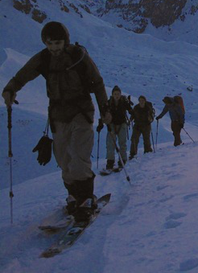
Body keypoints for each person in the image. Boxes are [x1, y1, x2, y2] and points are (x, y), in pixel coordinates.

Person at [2, 21, 111, 222]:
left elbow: (97, 82)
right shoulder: (43, 59)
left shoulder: (79, 57)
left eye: (58, 43)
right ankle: (72, 195)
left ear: (65, 41)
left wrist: (105, 109)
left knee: (79, 157)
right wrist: (10, 89)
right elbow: (23, 75)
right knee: (63, 160)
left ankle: (86, 198)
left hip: (81, 112)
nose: (54, 48)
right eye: (50, 43)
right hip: (58, 115)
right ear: (45, 43)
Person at [102, 85, 132, 170]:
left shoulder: (124, 102)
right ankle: (110, 161)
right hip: (112, 125)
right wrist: (101, 122)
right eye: (115, 94)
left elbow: (130, 109)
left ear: (120, 94)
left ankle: (122, 160)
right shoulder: (109, 102)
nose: (117, 95)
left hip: (122, 124)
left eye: (118, 94)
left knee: (122, 143)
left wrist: (131, 110)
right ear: (112, 94)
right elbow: (104, 112)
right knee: (110, 143)